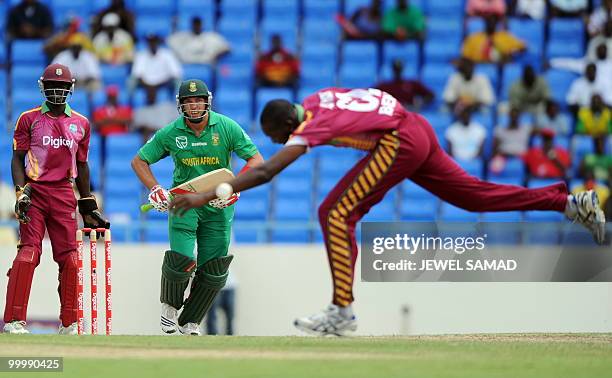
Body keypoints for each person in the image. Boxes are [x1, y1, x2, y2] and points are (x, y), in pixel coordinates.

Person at [170, 87, 606, 336]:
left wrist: (204, 195)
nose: (285, 141)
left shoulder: (310, 124)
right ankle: (568, 202)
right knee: (473, 196)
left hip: (398, 140)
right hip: (414, 126)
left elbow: (266, 174)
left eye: (280, 137)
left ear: (286, 127)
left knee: (334, 213)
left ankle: (342, 310)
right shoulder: (320, 99)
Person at [131, 79, 263, 336]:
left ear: (207, 101)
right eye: (188, 101)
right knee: (181, 259)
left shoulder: (226, 127)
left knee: (213, 270)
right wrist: (155, 189)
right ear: (180, 105)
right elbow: (139, 161)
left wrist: (234, 188)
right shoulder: (171, 132)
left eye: (198, 100)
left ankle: (190, 321)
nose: (194, 105)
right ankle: (169, 307)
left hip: (218, 205)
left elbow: (256, 161)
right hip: (185, 203)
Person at [3, 64, 110, 335]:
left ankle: (70, 323)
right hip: (35, 192)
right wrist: (20, 191)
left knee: (71, 259)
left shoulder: (81, 123)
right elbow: (17, 159)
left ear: (71, 88)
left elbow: (82, 165)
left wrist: (87, 203)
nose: (57, 91)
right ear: (43, 88)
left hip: (64, 193)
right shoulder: (28, 119)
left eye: (62, 87)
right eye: (52, 86)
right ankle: (14, 321)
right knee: (28, 254)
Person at [131, 34, 183, 99]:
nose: (152, 43)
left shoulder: (167, 54)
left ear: (158, 42)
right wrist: (149, 87)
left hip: (164, 83)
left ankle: (180, 103)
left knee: (178, 81)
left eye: (154, 41)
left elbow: (175, 73)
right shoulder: (141, 55)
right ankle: (129, 104)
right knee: (131, 81)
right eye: (150, 41)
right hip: (146, 84)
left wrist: (155, 87)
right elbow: (138, 75)